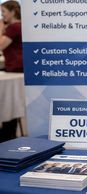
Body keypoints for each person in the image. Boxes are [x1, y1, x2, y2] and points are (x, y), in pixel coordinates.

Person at [0, 0, 22, 143]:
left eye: (4, 12)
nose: (2, 16)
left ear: (12, 12)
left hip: (15, 69)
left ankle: (7, 133)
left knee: (8, 101)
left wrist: (1, 28)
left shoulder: (13, 27)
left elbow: (1, 45)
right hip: (17, 68)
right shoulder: (19, 26)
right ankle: (9, 131)